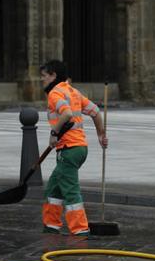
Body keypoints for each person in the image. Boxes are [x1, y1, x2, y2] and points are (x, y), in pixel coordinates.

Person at [39, 60, 108, 236]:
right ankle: (51, 225)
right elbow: (95, 111)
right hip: (80, 149)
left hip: (69, 149)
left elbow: (67, 114)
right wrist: (101, 134)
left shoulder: (55, 93)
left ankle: (80, 230)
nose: (42, 80)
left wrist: (54, 133)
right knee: (54, 188)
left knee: (70, 191)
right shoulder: (73, 91)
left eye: (44, 76)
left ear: (53, 75)